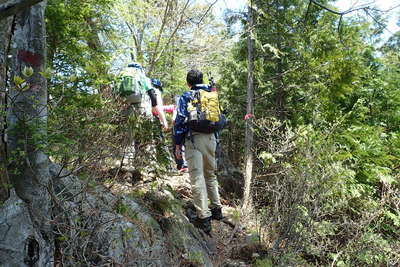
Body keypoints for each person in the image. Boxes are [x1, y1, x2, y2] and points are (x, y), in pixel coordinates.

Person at [173, 69, 223, 234]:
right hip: (212, 138)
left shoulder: (187, 96)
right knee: (210, 174)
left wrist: (177, 144)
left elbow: (180, 119)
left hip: (194, 139)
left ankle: (203, 218)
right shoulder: (211, 94)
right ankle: (217, 209)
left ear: (188, 82)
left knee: (197, 177)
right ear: (201, 80)